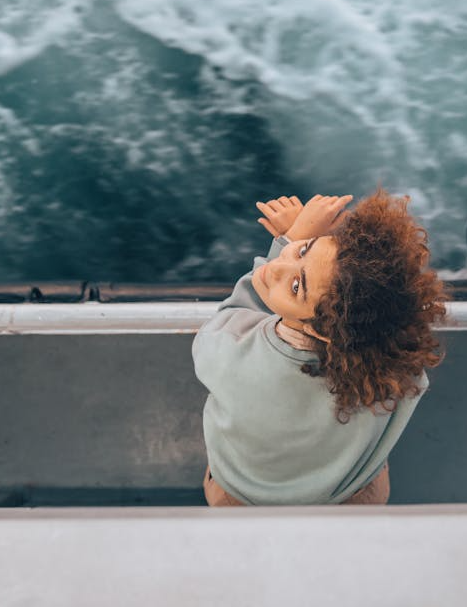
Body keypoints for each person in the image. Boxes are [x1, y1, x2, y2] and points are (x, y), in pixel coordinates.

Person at [192, 190, 448, 506]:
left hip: (243, 497)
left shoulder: (230, 350)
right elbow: (365, 297)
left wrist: (293, 237)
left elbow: (236, 309)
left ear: (324, 331)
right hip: (351, 496)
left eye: (297, 286)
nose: (277, 268)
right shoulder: (396, 366)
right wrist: (326, 257)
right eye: (304, 251)